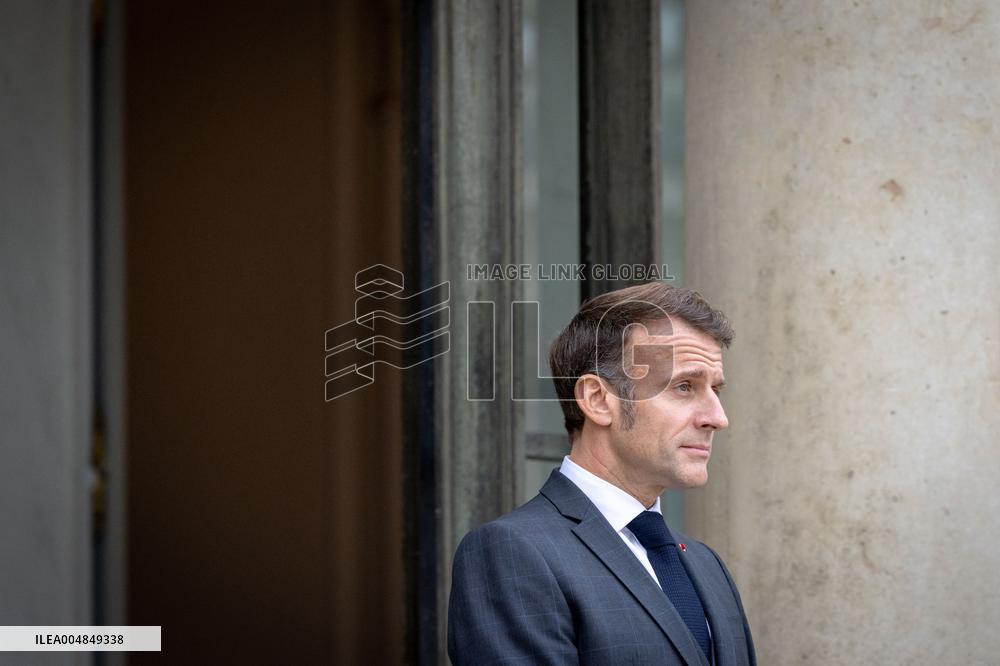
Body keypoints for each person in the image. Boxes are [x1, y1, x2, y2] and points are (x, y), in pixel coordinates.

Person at [448, 282, 756, 665]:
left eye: (716, 391)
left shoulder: (707, 565)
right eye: (684, 387)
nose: (717, 418)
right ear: (598, 399)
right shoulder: (511, 553)